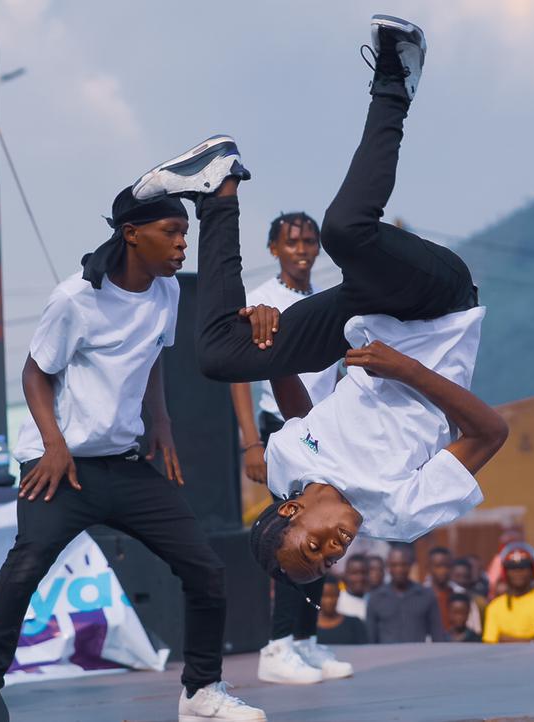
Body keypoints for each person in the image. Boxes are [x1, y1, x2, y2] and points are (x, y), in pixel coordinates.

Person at [128, 14, 507, 583]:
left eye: (314, 548)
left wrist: (271, 346)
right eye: (329, 562)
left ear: (291, 510)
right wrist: (405, 370)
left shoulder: (285, 468)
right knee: (346, 232)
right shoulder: (401, 514)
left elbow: (309, 422)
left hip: (366, 317)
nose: (334, 551)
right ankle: (395, 79)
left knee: (220, 356)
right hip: (436, 305)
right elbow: (489, 433)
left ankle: (217, 187)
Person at [0, 187, 264, 721]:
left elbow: (152, 359)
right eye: (171, 233)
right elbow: (35, 373)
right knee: (25, 568)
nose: (182, 245)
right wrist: (54, 445)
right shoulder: (75, 298)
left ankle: (200, 692)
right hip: (59, 466)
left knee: (205, 569)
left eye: (185, 234)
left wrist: (162, 424)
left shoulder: (167, 291)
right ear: (132, 235)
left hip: (124, 464)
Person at [227, 212, 349, 685]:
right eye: (292, 242)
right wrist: (251, 442)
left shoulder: (325, 300)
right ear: (274, 248)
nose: (302, 250)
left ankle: (304, 640)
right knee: (291, 535)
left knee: (323, 531)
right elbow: (241, 375)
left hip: (324, 428)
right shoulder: (263, 300)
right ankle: (278, 646)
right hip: (280, 427)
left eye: (310, 241)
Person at [366, 546, 446, 643]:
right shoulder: (376, 598)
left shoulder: (426, 595)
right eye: (394, 565)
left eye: (403, 564)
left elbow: (437, 635)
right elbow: (371, 638)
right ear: (388, 567)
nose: (399, 569)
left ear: (410, 565)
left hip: (418, 652)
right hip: (386, 652)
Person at [482, 544, 534, 644]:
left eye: (523, 567)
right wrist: (530, 640)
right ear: (505, 573)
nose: (517, 572)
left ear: (532, 571)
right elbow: (490, 644)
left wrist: (503, 639)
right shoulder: (494, 606)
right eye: (512, 568)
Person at [316, 577, 369, 646]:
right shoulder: (308, 626)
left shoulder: (354, 624)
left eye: (333, 595)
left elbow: (364, 650)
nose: (329, 601)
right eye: (324, 596)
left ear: (338, 595)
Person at [426, 546, 455, 632]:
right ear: (429, 567)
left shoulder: (458, 595)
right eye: (438, 566)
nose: (443, 570)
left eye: (447, 566)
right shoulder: (419, 597)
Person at [336, 554, 370, 621]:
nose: (360, 578)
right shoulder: (338, 602)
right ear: (346, 575)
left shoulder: (374, 600)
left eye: (363, 573)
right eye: (354, 573)